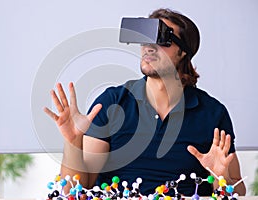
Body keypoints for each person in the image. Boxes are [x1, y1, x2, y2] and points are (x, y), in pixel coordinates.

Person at [44, 8, 246, 197]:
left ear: (183, 52)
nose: (149, 47)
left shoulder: (212, 113)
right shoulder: (113, 103)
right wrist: (73, 143)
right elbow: (77, 189)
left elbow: (238, 192)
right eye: (145, 39)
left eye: (163, 40)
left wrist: (222, 176)